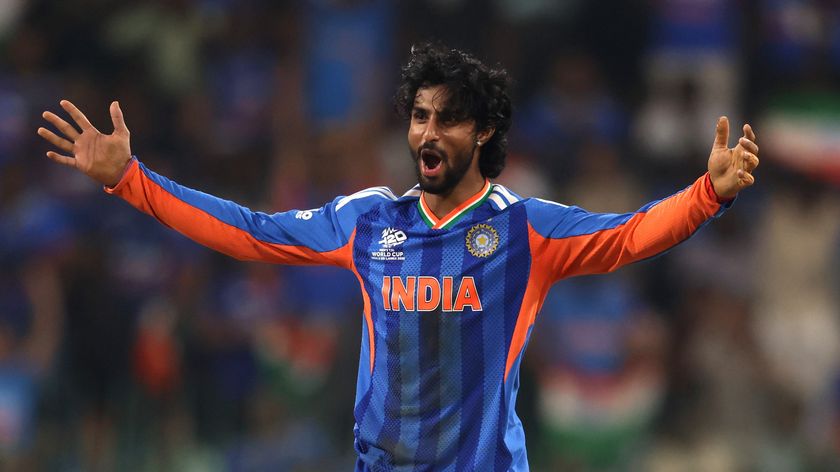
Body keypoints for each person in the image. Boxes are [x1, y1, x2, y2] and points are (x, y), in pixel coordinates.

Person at [37, 44, 759, 471]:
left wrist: (706, 194)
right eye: (420, 115)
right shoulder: (369, 219)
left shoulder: (525, 230)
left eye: (447, 117)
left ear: (484, 133)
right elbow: (250, 231)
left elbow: (633, 234)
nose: (428, 132)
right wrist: (130, 181)